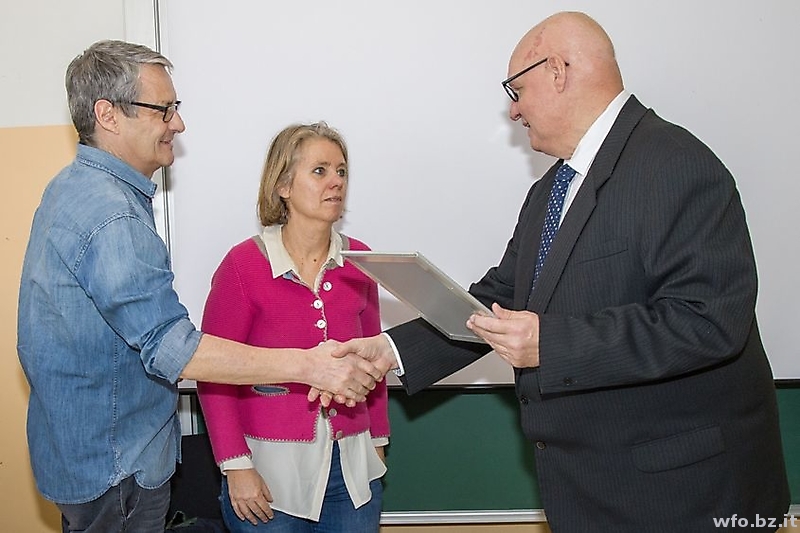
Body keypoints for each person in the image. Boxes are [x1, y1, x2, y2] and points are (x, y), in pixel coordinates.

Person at [328, 11, 790, 533]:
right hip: (590, 493)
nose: (513, 110)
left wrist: (551, 344)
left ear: (558, 70)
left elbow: (707, 322)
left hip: (681, 496)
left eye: (516, 89)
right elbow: (499, 301)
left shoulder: (678, 164)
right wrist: (389, 352)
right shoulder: (550, 191)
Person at [16, 40, 382, 533]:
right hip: (118, 465)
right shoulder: (113, 215)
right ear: (108, 115)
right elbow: (174, 349)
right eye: (163, 109)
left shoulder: (77, 189)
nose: (178, 124)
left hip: (94, 455)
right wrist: (309, 365)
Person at [196, 122, 389, 532]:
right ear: (283, 185)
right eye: (320, 171)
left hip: (352, 470)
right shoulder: (243, 265)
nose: (336, 181)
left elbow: (377, 363)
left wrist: (378, 442)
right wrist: (235, 465)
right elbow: (212, 371)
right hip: (268, 474)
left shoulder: (363, 261)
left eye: (341, 171)